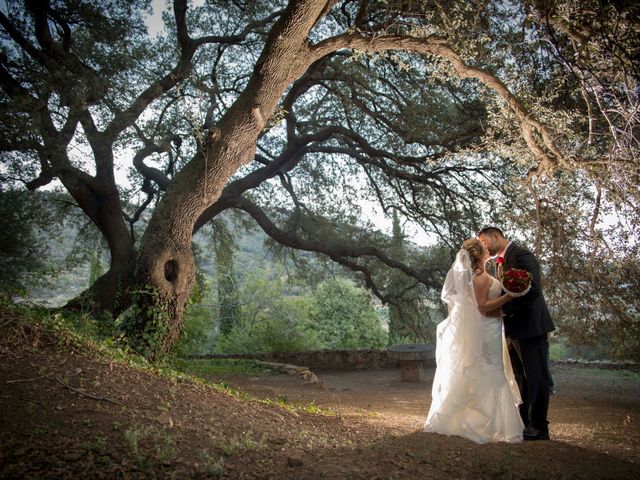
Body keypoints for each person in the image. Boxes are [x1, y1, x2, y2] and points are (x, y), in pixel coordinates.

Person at [424, 239, 524, 444]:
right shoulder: (481, 278)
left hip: (491, 327)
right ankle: (486, 424)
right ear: (480, 256)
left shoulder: (481, 276)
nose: (489, 250)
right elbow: (482, 306)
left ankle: (487, 421)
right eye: (485, 249)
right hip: (486, 327)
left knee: (487, 368)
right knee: (490, 369)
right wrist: (509, 297)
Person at [477, 227, 555, 441]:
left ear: (495, 236)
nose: (484, 246)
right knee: (522, 378)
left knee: (536, 376)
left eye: (484, 241)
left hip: (531, 327)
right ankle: (525, 422)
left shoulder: (521, 255)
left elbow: (534, 290)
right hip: (514, 330)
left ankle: (540, 426)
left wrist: (503, 310)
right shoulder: (500, 261)